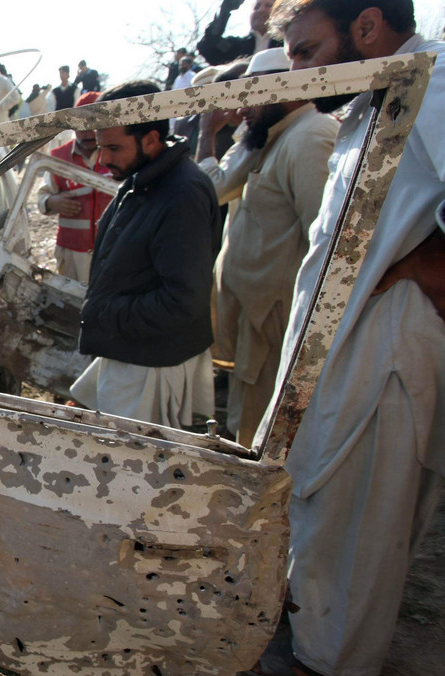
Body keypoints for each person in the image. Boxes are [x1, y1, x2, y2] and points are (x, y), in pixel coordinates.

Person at [260, 3, 444, 674]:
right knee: (325, 521)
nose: (298, 71)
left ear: (366, 28)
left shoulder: (436, 82)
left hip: (387, 352)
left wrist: (425, 266)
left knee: (362, 531)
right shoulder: (373, 102)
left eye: (308, 51)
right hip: (341, 354)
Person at [195, 48, 338, 445]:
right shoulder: (271, 137)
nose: (241, 110)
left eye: (251, 97)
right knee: (248, 424)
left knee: (267, 436)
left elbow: (330, 247)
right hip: (256, 324)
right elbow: (215, 188)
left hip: (275, 324)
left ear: (282, 88)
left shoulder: (310, 136)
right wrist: (209, 134)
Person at [70, 80, 219, 429]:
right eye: (100, 147)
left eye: (113, 148)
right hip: (132, 352)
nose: (103, 159)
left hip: (152, 365)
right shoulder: (144, 178)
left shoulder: (182, 194)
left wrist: (105, 313)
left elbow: (182, 301)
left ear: (151, 139)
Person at [37, 92, 114, 284]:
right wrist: (52, 202)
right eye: (82, 126)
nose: (88, 133)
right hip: (72, 253)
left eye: (94, 126)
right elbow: (41, 198)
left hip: (112, 251)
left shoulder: (117, 153)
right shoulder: (58, 158)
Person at [199, 0, 281, 65]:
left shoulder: (285, 45)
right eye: (257, 6)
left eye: (268, 6)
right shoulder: (236, 46)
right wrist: (225, 9)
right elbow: (207, 46)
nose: (260, 10)